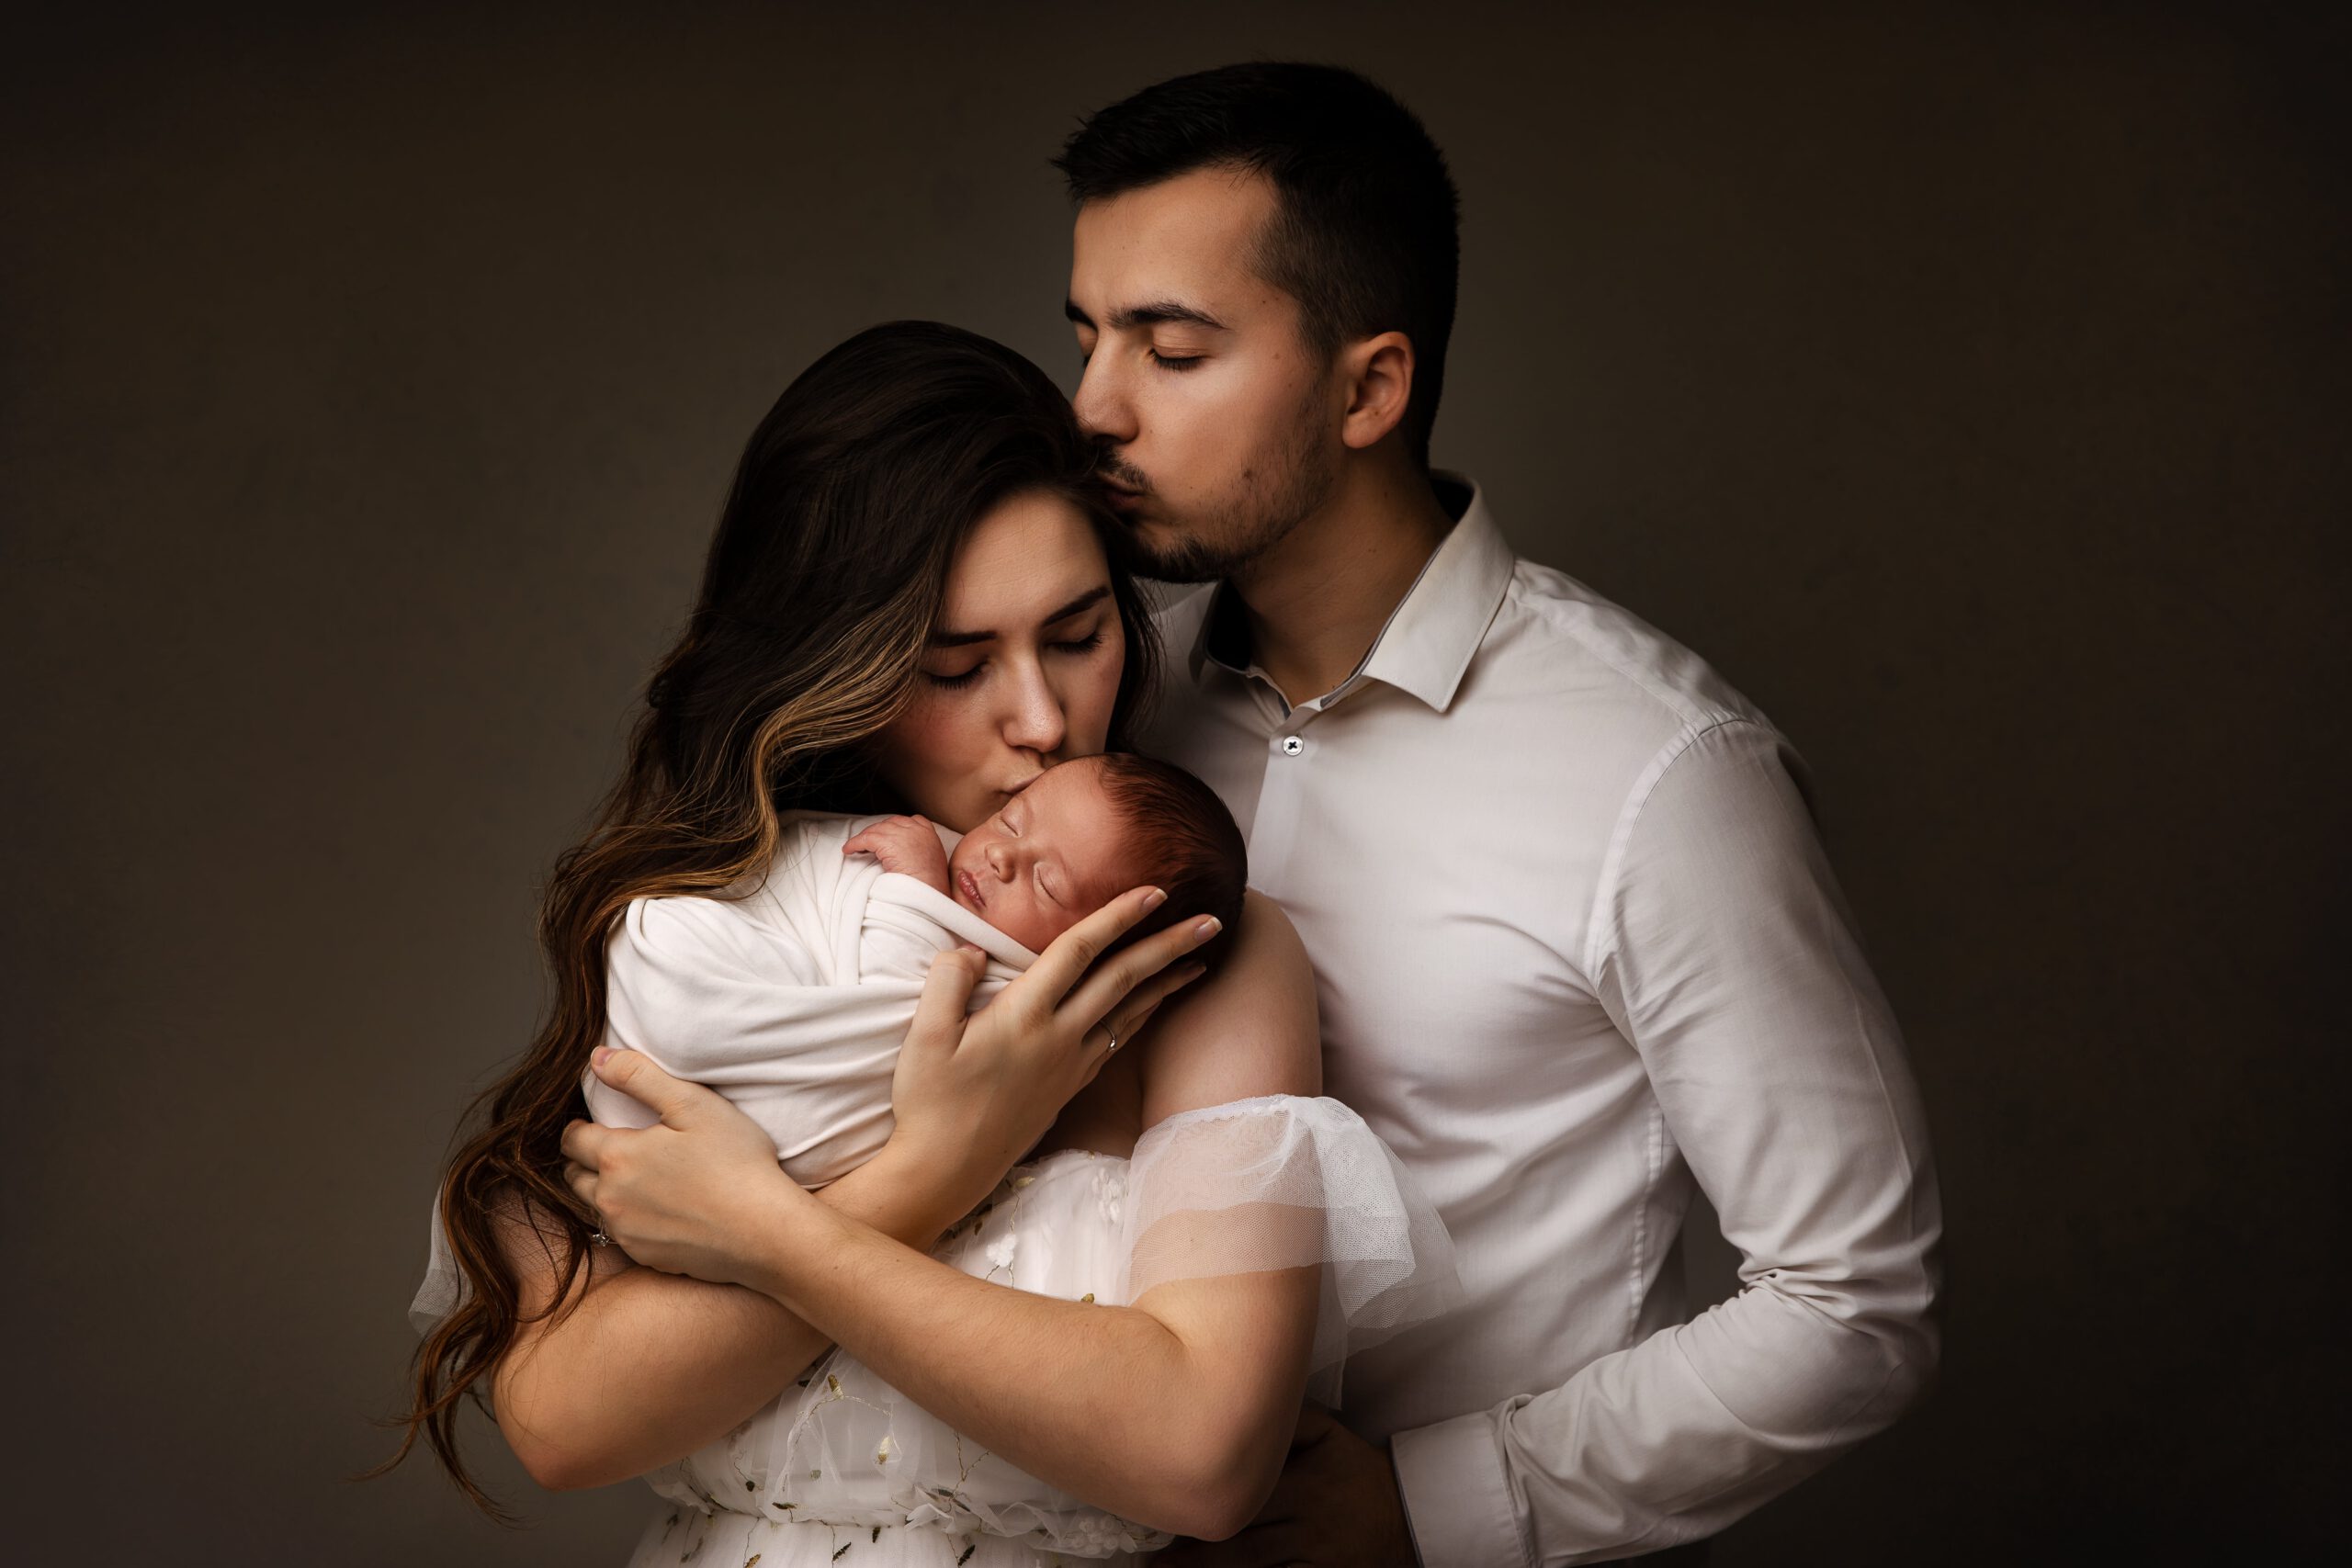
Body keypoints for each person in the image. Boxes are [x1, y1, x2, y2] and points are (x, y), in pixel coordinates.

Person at [563, 60, 1944, 1566]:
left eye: (1170, 348)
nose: (1089, 408)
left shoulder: (1660, 773)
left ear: (1369, 386)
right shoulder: (1086, 710)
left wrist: (1442, 1503)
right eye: (1085, 335)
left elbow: (1853, 1304)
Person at [392, 320, 1455, 1566]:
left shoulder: (1179, 948)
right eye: (957, 666)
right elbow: (568, 1424)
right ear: (835, 671)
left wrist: (777, 1228)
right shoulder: (726, 918)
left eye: (1077, 633)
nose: (1044, 720)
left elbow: (1201, 1453)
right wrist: (932, 1168)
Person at [577, 752, 1249, 1188]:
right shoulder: (941, 836)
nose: (1000, 859)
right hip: (691, 1025)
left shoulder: (1018, 996)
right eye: (1010, 823)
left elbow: (896, 1017)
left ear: (1106, 954)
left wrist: (919, 897)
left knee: (679, 984)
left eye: (1046, 883)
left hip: (764, 1136)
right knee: (666, 939)